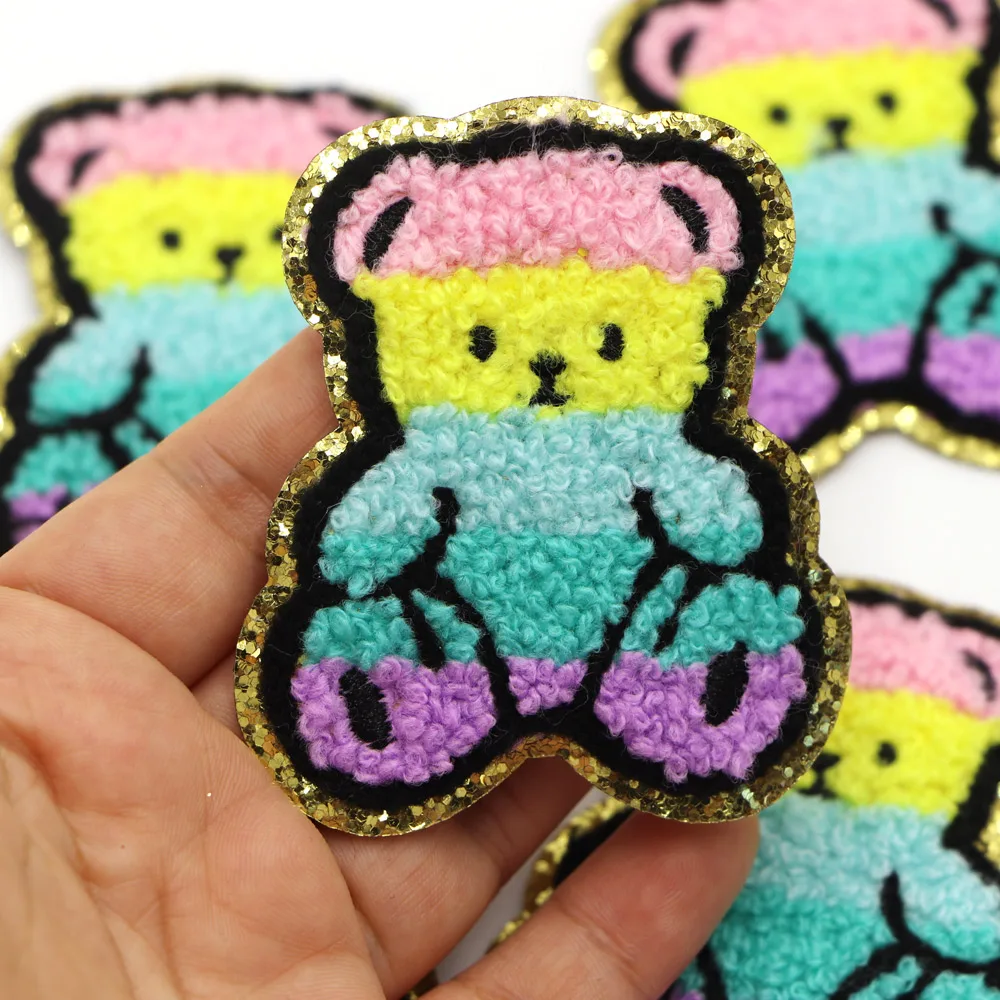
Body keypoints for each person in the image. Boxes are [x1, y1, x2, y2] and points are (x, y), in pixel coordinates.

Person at [0, 330, 757, 998]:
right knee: (391, 629)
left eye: (610, 340)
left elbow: (722, 524)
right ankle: (388, 702)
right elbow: (362, 543)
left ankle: (697, 676)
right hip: (461, 641)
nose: (549, 364)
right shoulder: (435, 445)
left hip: (626, 631)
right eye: (481, 342)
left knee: (698, 605)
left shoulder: (652, 444)